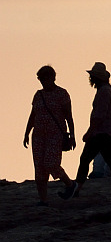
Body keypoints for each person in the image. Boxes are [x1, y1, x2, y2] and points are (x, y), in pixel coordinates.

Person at [64, 62, 111, 199]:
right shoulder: (106, 90)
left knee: (86, 159)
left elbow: (100, 115)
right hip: (105, 132)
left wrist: (89, 132)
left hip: (101, 132)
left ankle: (76, 189)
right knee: (110, 161)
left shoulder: (103, 92)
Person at [23, 65, 75, 205]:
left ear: (52, 77)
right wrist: (27, 133)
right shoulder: (38, 95)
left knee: (51, 163)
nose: (43, 82)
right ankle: (43, 199)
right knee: (39, 167)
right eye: (40, 79)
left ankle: (70, 184)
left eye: (45, 78)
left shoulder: (62, 94)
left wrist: (72, 135)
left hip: (55, 135)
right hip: (38, 135)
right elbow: (33, 115)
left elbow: (68, 116)